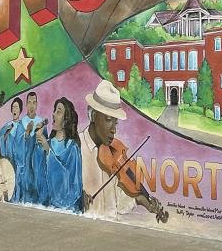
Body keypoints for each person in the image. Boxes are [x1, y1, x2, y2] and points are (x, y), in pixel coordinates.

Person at [79, 80, 168, 222]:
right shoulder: (75, 148)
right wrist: (75, 198)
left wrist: (139, 199)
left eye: (115, 123)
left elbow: (119, 204)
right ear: (94, 116)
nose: (114, 129)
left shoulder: (114, 153)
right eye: (108, 120)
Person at [34, 97, 82, 212]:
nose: (53, 114)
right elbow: (38, 173)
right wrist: (39, 144)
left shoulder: (72, 148)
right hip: (48, 208)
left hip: (67, 210)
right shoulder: (49, 142)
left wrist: (48, 151)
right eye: (54, 110)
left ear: (66, 120)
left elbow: (73, 186)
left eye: (58, 112)